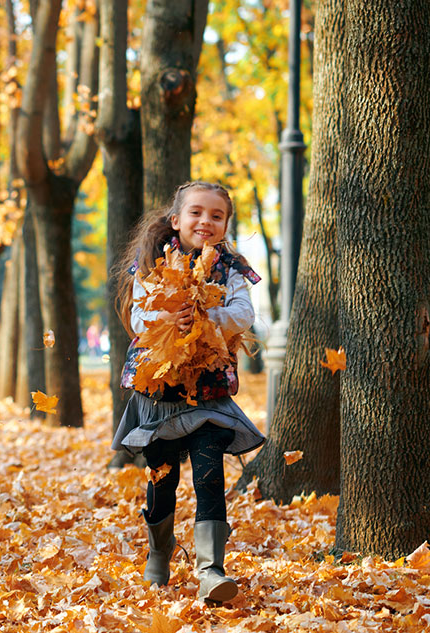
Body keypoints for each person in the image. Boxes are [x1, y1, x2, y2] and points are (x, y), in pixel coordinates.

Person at [111, 181, 265, 604]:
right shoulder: (150, 263)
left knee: (209, 475)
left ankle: (210, 569)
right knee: (163, 478)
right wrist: (168, 320)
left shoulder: (231, 268)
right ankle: (158, 557)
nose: (206, 222)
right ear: (176, 220)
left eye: (217, 216)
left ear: (226, 225)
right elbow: (140, 317)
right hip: (158, 395)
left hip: (208, 395)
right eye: (197, 213)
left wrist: (204, 316)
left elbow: (243, 314)